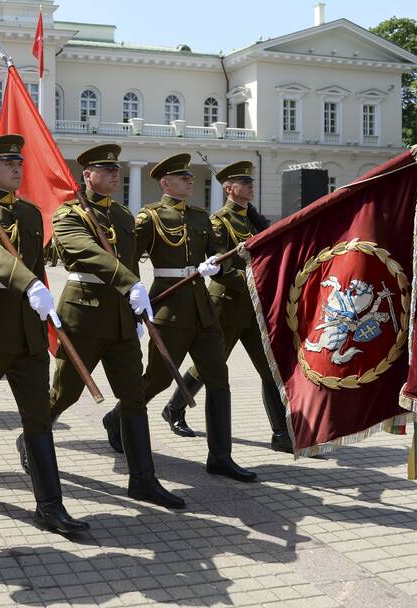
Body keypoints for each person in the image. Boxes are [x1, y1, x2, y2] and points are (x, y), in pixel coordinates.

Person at [0, 135, 89, 535]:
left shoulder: (30, 214)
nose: (17, 168)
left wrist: (40, 294)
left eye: (19, 163)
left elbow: (38, 264)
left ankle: (50, 506)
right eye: (8, 164)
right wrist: (30, 285)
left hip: (27, 330)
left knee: (37, 419)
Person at [44, 144, 185, 509]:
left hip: (122, 319)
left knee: (133, 398)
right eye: (105, 171)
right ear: (86, 175)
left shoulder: (123, 216)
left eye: (116, 170)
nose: (114, 175)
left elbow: (132, 265)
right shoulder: (69, 214)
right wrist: (130, 284)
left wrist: (137, 308)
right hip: (84, 316)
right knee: (65, 394)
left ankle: (143, 479)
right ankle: (33, 440)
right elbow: (87, 253)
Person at [103, 153, 256, 482]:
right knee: (157, 379)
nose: (189, 180)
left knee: (219, 379)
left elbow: (220, 261)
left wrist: (217, 267)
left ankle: (220, 456)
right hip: (169, 307)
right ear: (165, 183)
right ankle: (116, 417)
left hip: (202, 308)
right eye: (182, 177)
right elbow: (128, 261)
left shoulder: (201, 217)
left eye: (190, 176)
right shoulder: (150, 217)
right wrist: (132, 298)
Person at [158, 161, 291, 453]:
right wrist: (257, 285)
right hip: (227, 306)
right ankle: (174, 408)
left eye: (251, 182)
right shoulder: (219, 222)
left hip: (253, 308)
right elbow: (223, 266)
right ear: (229, 188)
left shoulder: (252, 219)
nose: (251, 186)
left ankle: (281, 434)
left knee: (270, 368)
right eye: (245, 183)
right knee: (208, 368)